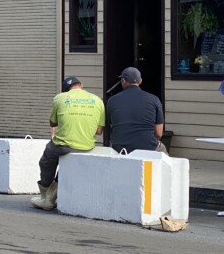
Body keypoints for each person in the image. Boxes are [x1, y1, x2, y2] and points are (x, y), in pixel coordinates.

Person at [31, 76, 105, 211]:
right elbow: (99, 131)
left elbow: (53, 122)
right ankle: (51, 197)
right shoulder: (98, 100)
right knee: (65, 168)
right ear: (81, 85)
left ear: (66, 90)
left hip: (62, 145)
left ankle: (44, 196)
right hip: (86, 147)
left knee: (46, 161)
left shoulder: (60, 98)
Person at [106, 67, 167, 154]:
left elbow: (111, 126)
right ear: (140, 81)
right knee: (165, 156)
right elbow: (159, 133)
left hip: (120, 149)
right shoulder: (154, 100)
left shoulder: (112, 100)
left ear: (123, 81)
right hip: (148, 147)